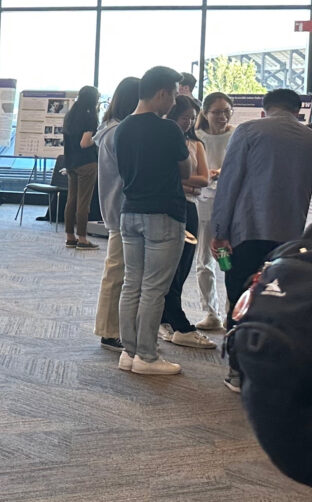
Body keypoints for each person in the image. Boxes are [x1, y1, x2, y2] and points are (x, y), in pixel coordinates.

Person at [210, 88, 312, 392]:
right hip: (290, 239)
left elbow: (229, 184)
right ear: (297, 112)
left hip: (247, 232)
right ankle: (272, 369)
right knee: (278, 300)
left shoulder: (248, 131)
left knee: (241, 298)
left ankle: (238, 370)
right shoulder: (309, 138)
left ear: (264, 110)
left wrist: (219, 231)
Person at [115, 66, 193, 376]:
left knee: (131, 284)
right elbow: (186, 171)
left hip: (130, 211)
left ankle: (129, 352)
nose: (175, 101)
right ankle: (146, 357)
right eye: (174, 94)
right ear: (161, 93)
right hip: (164, 214)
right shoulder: (168, 129)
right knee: (153, 289)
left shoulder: (121, 128)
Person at [157, 95, 214, 349]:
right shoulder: (162, 139)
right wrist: (185, 182)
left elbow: (203, 179)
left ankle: (171, 319)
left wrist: (177, 181)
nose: (188, 122)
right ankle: (172, 321)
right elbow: (158, 178)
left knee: (183, 267)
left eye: (192, 118)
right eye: (184, 118)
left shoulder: (195, 144)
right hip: (165, 207)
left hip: (190, 208)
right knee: (166, 268)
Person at [91, 76, 140, 352]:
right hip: (121, 209)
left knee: (121, 270)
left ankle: (117, 327)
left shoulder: (110, 129)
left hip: (117, 207)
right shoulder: (117, 132)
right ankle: (110, 330)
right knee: (117, 271)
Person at [192, 92, 234, 330]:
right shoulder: (197, 137)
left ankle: (231, 311)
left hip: (230, 202)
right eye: (216, 112)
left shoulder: (237, 135)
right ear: (205, 113)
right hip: (204, 202)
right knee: (205, 258)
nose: (222, 116)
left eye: (226, 111)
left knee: (228, 260)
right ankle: (211, 312)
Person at [61, 86, 101, 250]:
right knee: (84, 202)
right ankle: (83, 239)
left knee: (71, 200)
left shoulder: (70, 116)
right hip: (86, 163)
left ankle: (70, 236)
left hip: (71, 162)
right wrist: (98, 138)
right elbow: (85, 143)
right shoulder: (89, 117)